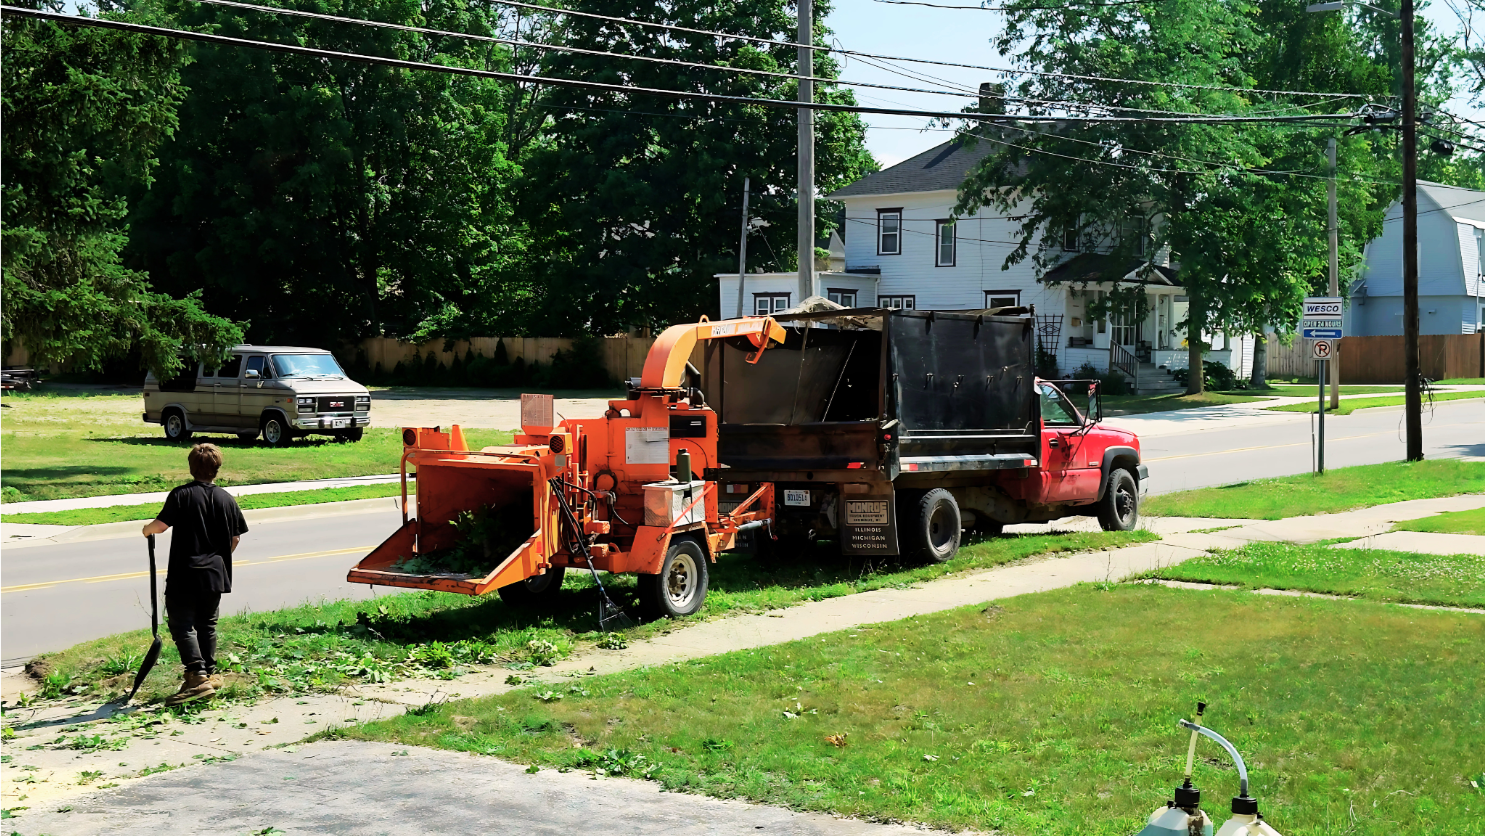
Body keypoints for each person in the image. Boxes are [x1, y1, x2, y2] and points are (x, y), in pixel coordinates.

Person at [141, 443, 248, 706]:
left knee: (181, 624)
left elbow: (160, 526)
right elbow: (235, 539)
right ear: (217, 469)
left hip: (185, 572)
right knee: (206, 624)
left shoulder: (181, 495)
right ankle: (209, 674)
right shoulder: (226, 499)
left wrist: (146, 530)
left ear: (191, 468)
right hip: (215, 572)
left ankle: (197, 675)